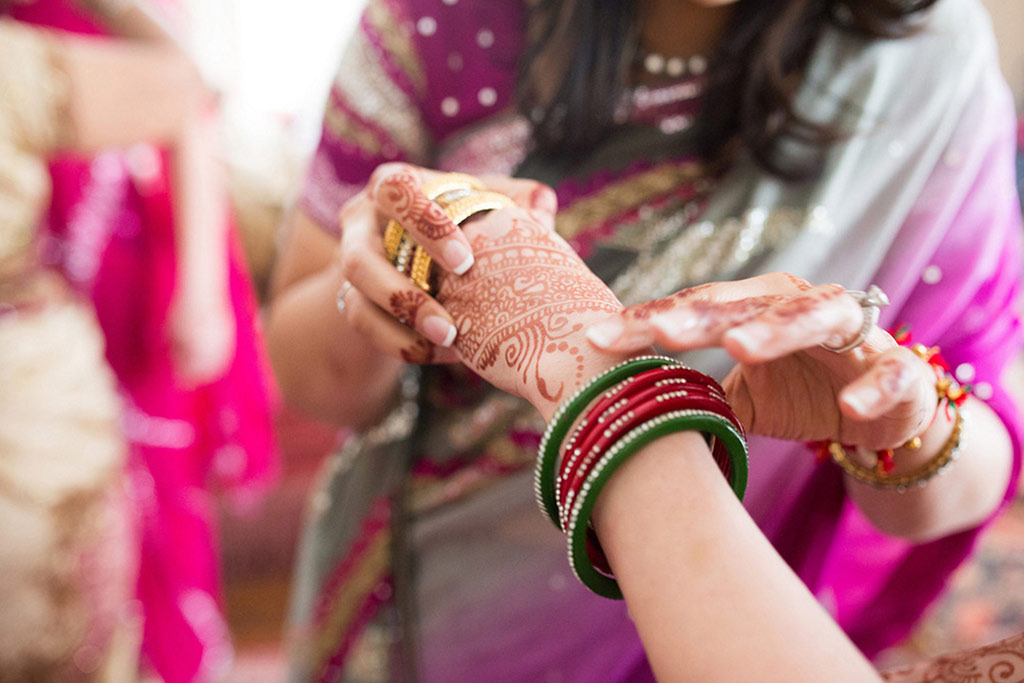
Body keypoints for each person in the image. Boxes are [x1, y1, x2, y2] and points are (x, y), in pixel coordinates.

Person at [266, 0, 1022, 679]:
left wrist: (905, 425)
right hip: (447, 603)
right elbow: (313, 378)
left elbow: (981, 436)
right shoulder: (431, 24)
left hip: (734, 615)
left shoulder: (923, 59)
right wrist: (402, 267)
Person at [7, 1, 280, 679]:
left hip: (122, 238)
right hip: (44, 233)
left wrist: (201, 284)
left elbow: (187, 98)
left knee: (149, 492)